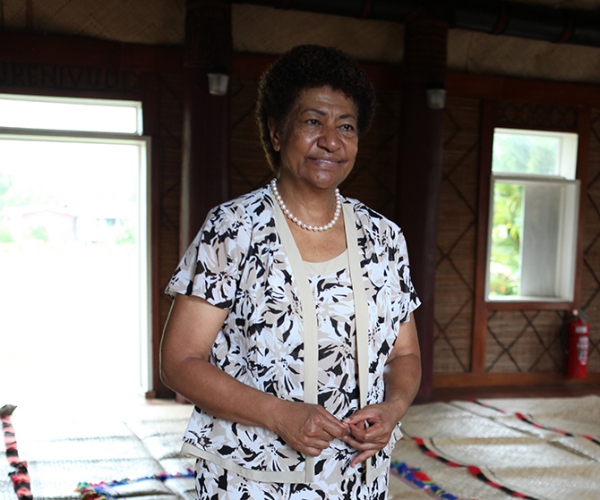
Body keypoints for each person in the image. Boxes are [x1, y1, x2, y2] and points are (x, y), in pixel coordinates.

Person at [160, 44, 422, 499]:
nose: (331, 140)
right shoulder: (233, 229)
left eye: (346, 126)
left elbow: (405, 356)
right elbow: (179, 362)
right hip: (251, 480)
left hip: (358, 480)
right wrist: (280, 415)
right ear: (276, 132)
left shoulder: (384, 238)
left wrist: (394, 407)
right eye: (312, 121)